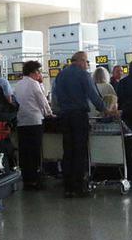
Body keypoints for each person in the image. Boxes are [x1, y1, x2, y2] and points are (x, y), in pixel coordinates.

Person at [53, 51, 108, 197]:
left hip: (64, 117)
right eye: (86, 61)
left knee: (68, 151)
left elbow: (55, 97)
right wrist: (105, 109)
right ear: (80, 61)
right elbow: (93, 95)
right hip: (78, 116)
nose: (86, 64)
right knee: (80, 151)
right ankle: (79, 187)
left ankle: (68, 187)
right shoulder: (83, 75)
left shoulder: (61, 75)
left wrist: (59, 111)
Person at [14, 61, 53, 190]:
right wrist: (49, 113)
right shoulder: (34, 84)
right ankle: (35, 180)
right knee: (34, 151)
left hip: (21, 121)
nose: (40, 74)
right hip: (34, 121)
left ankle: (27, 179)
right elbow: (42, 101)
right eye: (38, 71)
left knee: (25, 152)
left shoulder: (18, 84)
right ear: (33, 72)